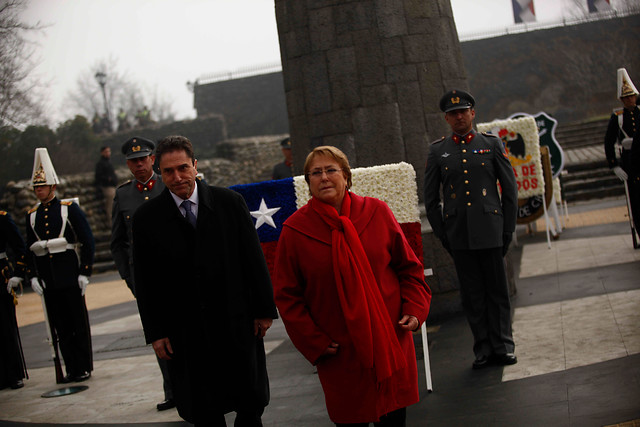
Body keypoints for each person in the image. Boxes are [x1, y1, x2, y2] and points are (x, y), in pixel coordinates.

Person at [273, 146, 432, 426]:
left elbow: (409, 268)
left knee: (395, 418)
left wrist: (415, 309)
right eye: (316, 173)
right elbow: (287, 297)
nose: (324, 177)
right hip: (340, 353)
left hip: (389, 341)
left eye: (331, 170)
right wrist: (315, 342)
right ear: (308, 182)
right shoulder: (295, 231)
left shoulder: (377, 212)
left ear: (346, 176)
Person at [132, 135, 278, 426]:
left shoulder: (229, 203)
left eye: (183, 168)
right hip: (184, 332)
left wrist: (263, 309)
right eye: (169, 171)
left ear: (195, 165)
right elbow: (146, 281)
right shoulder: (146, 218)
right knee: (202, 409)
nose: (177, 177)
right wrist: (156, 331)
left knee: (249, 403)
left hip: (236, 323)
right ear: (159, 172)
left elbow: (253, 260)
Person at [423, 89, 518, 370]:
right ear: (446, 118)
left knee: (497, 291)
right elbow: (430, 199)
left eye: (463, 111)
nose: (458, 117)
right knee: (472, 294)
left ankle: (503, 345)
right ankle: (483, 348)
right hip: (459, 234)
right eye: (453, 114)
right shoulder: (438, 150)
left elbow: (509, 191)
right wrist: (443, 234)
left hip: (491, 229)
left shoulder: (490, 144)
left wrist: (507, 229)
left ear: (473, 113)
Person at [110, 136, 174, 412]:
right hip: (145, 280)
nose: (139, 165)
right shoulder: (123, 195)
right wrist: (129, 277)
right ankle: (172, 390)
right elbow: (117, 242)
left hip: (176, 271)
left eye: (143, 159)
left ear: (152, 159)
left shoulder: (168, 184)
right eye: (133, 161)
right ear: (127, 164)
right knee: (159, 333)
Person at [25, 148, 95, 383]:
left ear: (52, 186)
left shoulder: (67, 208)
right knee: (60, 327)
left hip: (68, 273)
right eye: (36, 187)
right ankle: (71, 367)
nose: (39, 191)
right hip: (48, 277)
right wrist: (33, 276)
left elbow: (87, 239)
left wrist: (85, 271)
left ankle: (83, 366)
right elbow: (29, 247)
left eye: (42, 186)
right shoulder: (32, 215)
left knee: (76, 323)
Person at [604, 68, 640, 242]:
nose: (629, 100)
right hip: (630, 163)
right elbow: (608, 141)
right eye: (625, 97)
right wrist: (614, 165)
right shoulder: (618, 117)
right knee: (636, 203)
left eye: (631, 96)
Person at [1, 210, 28, 390]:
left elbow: (19, 246)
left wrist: (18, 274)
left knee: (5, 328)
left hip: (1, 277)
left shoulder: (2, 218)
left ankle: (13, 374)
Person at [94, 146, 118, 224]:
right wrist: (108, 179)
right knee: (110, 207)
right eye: (106, 151)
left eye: (109, 151)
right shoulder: (100, 164)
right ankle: (112, 224)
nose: (108, 153)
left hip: (112, 186)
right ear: (102, 153)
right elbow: (98, 176)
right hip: (107, 187)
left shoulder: (108, 162)